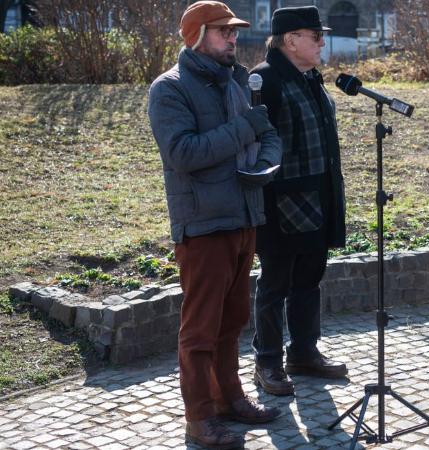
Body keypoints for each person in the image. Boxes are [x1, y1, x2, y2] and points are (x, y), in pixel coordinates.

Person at [147, 1, 282, 448]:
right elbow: (182, 153)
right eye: (223, 31)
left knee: (233, 320)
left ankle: (230, 400)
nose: (233, 38)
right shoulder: (169, 89)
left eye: (234, 31)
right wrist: (245, 129)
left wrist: (264, 162)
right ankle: (199, 418)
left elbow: (265, 134)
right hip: (203, 225)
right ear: (197, 35)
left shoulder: (236, 81)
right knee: (202, 329)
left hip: (244, 216)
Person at [249, 5, 348, 397]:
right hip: (280, 206)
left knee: (309, 281)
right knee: (275, 284)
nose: (323, 42)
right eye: (316, 35)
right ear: (291, 40)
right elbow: (256, 146)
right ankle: (268, 362)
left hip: (317, 201)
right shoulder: (265, 79)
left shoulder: (309, 78)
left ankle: (304, 353)